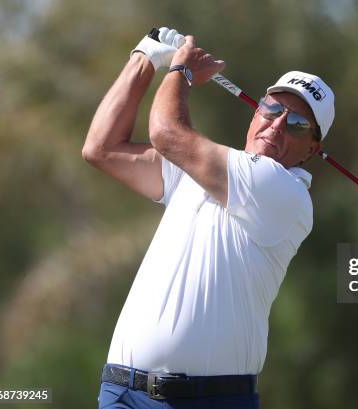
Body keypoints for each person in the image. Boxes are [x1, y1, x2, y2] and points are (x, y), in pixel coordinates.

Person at [82, 27, 335, 409]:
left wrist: (181, 71)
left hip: (211, 400)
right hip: (122, 393)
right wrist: (145, 57)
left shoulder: (283, 190)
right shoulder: (198, 172)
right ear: (257, 110)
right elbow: (101, 149)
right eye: (272, 108)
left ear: (311, 150)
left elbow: (166, 134)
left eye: (297, 124)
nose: (277, 124)